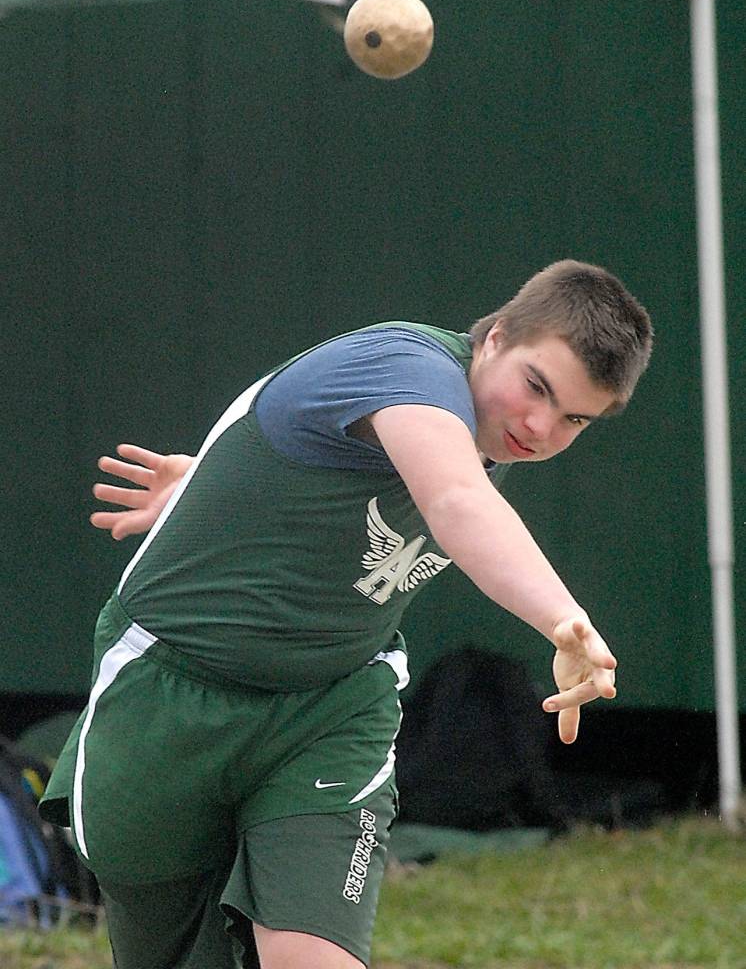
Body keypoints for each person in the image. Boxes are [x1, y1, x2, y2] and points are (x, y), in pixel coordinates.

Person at [40, 259, 652, 969]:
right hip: (171, 695)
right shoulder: (412, 370)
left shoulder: (490, 424)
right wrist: (561, 617)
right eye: (536, 386)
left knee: (313, 958)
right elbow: (455, 502)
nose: (540, 426)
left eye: (574, 418)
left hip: (332, 706)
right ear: (495, 338)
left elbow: (287, 423)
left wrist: (227, 482)